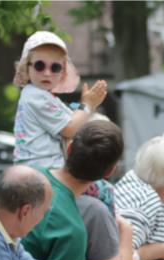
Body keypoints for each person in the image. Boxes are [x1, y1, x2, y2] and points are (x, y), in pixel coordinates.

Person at [22, 119, 124, 260]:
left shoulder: (28, 176)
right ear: (109, 172)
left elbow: (44, 259)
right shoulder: (71, 229)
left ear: (68, 149)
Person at [12, 31, 108, 168]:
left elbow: (70, 114)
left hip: (39, 167)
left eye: (55, 67)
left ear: (62, 73)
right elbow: (69, 128)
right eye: (40, 66)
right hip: (41, 169)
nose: (47, 73)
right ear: (26, 68)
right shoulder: (36, 96)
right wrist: (87, 105)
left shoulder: (42, 95)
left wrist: (84, 105)